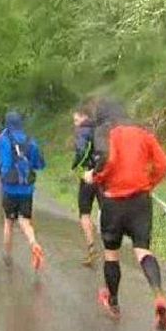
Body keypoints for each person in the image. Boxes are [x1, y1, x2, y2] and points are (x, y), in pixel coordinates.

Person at [83, 97, 166, 331]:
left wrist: (95, 177)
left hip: (113, 202)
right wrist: (149, 184)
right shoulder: (143, 134)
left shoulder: (109, 134)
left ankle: (113, 302)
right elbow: (162, 164)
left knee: (112, 254)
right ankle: (158, 293)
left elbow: (107, 163)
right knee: (143, 250)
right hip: (140, 201)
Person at [0, 111, 46, 270]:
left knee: (9, 222)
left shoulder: (3, 140)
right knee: (25, 221)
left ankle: (7, 255)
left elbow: (2, 163)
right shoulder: (31, 141)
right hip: (26, 189)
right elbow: (39, 165)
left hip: (9, 189)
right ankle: (33, 243)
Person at [71, 100, 102, 267]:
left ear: (84, 117)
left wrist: (76, 165)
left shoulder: (83, 131)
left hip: (89, 175)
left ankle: (91, 247)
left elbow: (82, 152)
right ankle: (108, 244)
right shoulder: (102, 129)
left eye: (76, 120)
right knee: (104, 209)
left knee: (84, 213)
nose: (75, 124)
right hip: (103, 173)